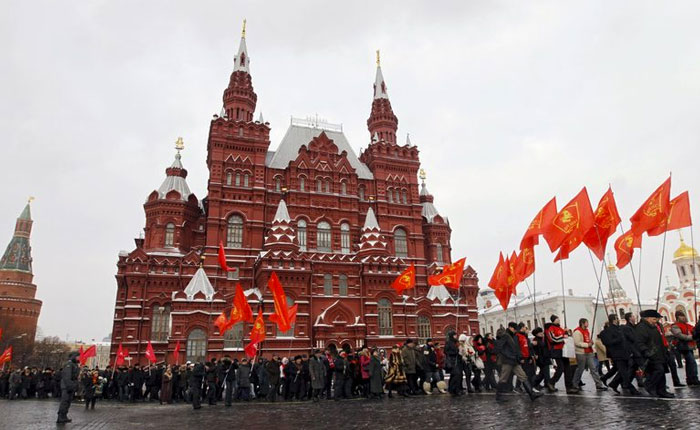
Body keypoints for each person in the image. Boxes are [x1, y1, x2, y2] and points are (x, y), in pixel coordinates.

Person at [495, 322, 542, 402]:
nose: (515, 330)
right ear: (510, 328)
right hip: (507, 361)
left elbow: (516, 348)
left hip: (514, 361)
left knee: (523, 376)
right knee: (503, 378)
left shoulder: (513, 336)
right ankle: (498, 396)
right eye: (514, 329)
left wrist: (518, 357)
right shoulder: (505, 335)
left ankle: (531, 394)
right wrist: (509, 355)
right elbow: (499, 348)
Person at [635, 309, 674, 398]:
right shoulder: (641, 327)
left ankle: (662, 390)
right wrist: (646, 351)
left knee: (662, 371)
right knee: (658, 370)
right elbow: (639, 342)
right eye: (654, 319)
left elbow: (660, 340)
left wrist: (665, 350)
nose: (656, 321)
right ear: (647, 318)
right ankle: (649, 384)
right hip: (651, 354)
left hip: (660, 353)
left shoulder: (654, 327)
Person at [601, 314, 640, 395]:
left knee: (622, 370)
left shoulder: (621, 328)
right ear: (614, 320)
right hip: (617, 354)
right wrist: (619, 339)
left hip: (625, 353)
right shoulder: (607, 331)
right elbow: (607, 342)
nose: (618, 320)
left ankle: (613, 383)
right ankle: (631, 388)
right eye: (617, 318)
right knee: (624, 372)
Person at [572, 318, 607, 391]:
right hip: (581, 353)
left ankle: (599, 384)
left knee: (593, 368)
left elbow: (587, 339)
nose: (588, 324)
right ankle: (575, 384)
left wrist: (591, 342)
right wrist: (587, 344)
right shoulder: (577, 332)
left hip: (589, 352)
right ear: (582, 323)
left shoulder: (586, 331)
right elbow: (577, 343)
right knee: (580, 369)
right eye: (586, 322)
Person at [546, 315, 577, 394]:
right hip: (557, 350)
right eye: (557, 319)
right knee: (560, 368)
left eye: (558, 319)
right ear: (553, 320)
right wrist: (563, 337)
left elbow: (566, 338)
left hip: (564, 350)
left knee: (568, 368)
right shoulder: (551, 329)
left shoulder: (561, 328)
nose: (558, 320)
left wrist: (567, 332)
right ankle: (551, 382)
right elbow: (553, 339)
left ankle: (569, 387)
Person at [670, 311, 699, 386]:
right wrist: (691, 337)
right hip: (683, 346)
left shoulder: (688, 325)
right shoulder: (675, 326)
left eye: (683, 316)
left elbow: (694, 331)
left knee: (690, 363)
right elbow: (679, 335)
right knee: (692, 362)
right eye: (681, 316)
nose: (683, 317)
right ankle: (693, 378)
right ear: (677, 317)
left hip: (690, 346)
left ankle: (691, 379)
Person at [56, 351, 79, 424]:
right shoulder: (69, 364)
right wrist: (70, 386)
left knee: (68, 402)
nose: (78, 358)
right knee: (64, 402)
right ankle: (60, 417)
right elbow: (67, 377)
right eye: (77, 356)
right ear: (73, 356)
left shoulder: (74, 364)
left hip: (70, 386)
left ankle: (64, 416)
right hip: (67, 386)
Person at [531, 327, 555, 392]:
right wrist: (535, 355)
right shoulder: (535, 340)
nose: (541, 333)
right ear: (536, 334)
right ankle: (548, 385)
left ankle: (534, 384)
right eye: (539, 332)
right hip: (541, 359)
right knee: (545, 373)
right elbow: (533, 349)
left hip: (545, 358)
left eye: (541, 332)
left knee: (543, 373)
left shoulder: (543, 339)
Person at [444, 331, 462, 396]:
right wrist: (456, 352)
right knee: (456, 374)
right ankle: (454, 389)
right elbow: (446, 351)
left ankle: (453, 389)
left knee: (454, 375)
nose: (456, 336)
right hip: (452, 361)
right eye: (454, 335)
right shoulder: (448, 343)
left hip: (456, 361)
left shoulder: (455, 342)